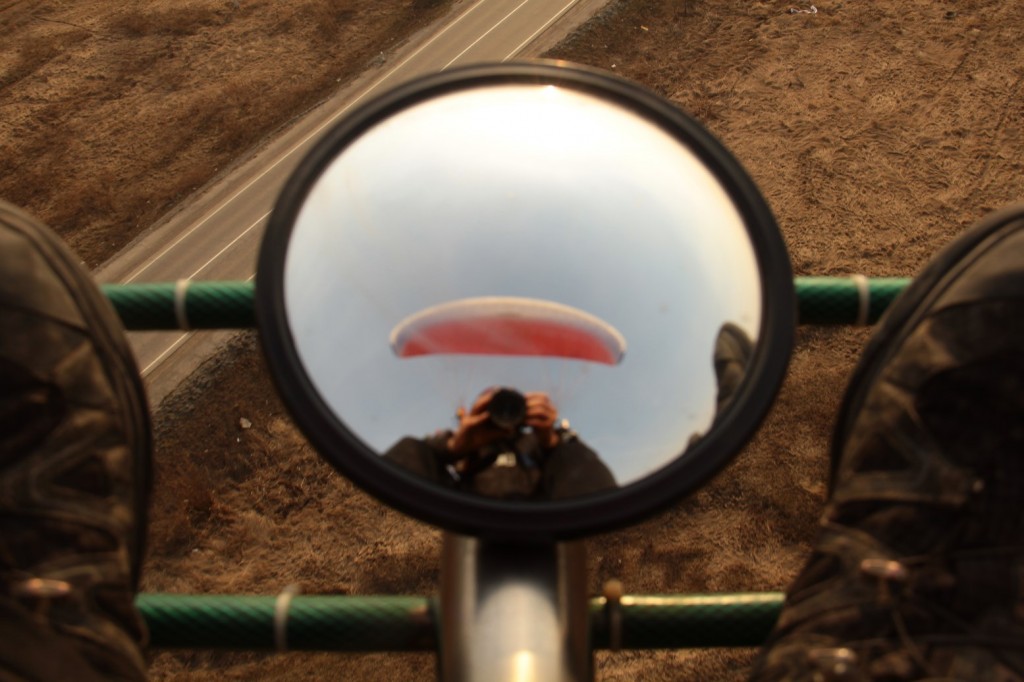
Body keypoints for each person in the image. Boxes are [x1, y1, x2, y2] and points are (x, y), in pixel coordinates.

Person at [0, 196, 1021, 680]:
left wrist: (551, 436)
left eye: (509, 408)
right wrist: (447, 455)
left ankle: (40, 639)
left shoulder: (554, 451)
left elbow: (597, 481)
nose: (497, 416)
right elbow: (404, 474)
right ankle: (901, 646)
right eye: (493, 409)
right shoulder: (441, 454)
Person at [384, 388, 618, 500]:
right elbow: (412, 460)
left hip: (541, 513)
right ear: (477, 413)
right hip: (463, 512)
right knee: (410, 450)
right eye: (490, 407)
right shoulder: (467, 445)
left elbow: (585, 474)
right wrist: (455, 446)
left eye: (509, 406)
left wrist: (552, 441)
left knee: (575, 458)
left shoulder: (535, 442)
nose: (502, 414)